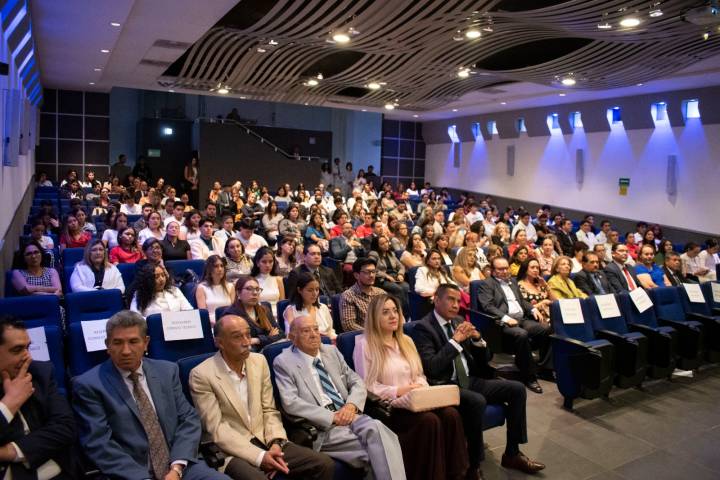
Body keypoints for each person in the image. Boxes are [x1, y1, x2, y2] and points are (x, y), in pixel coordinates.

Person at [72, 310, 229, 480]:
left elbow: (188, 419)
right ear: (107, 345)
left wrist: (176, 467)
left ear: (145, 343)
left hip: (180, 465)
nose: (126, 351)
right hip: (131, 474)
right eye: (117, 343)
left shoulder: (167, 371)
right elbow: (99, 444)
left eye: (133, 341)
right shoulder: (89, 385)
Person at [413, 284, 544, 477]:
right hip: (445, 386)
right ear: (437, 300)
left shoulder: (458, 321)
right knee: (477, 401)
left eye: (458, 301)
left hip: (470, 380)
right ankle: (473, 465)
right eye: (450, 299)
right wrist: (455, 341)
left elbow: (485, 359)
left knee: (517, 389)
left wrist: (478, 340)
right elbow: (432, 367)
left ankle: (512, 453)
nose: (456, 305)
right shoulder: (423, 328)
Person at [189, 314, 334, 480]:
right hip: (233, 451)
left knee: (323, 463)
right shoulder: (202, 375)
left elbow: (269, 409)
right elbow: (216, 429)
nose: (246, 342)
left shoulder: (259, 361)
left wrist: (276, 443)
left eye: (248, 335)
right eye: (237, 337)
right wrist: (259, 457)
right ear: (219, 342)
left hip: (266, 438)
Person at [273, 315, 406, 480]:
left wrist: (351, 406)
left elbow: (356, 381)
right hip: (325, 427)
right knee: (380, 452)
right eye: (306, 331)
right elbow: (291, 403)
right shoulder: (284, 362)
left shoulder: (331, 351)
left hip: (350, 414)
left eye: (315, 329)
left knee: (377, 427)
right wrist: (333, 417)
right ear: (292, 338)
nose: (314, 334)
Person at [353, 294, 469, 480]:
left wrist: (419, 387)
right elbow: (367, 386)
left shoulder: (406, 340)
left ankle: (457, 474)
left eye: (395, 311)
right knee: (429, 421)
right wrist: (400, 391)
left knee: (451, 415)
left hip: (417, 400)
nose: (393, 316)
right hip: (391, 408)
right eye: (385, 312)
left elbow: (420, 375)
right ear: (374, 317)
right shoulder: (364, 345)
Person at [0, 314, 80, 478]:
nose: (27, 356)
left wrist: (10, 451)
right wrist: (8, 405)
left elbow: (66, 427)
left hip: (59, 470)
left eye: (27, 347)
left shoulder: (40, 372)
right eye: (17, 350)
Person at [477, 257, 551, 393]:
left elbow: (522, 301)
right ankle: (529, 376)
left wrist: (532, 309)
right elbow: (487, 306)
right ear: (492, 271)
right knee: (521, 335)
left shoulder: (513, 282)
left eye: (506, 268)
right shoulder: (486, 284)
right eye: (500, 269)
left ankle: (543, 367)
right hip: (502, 323)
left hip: (521, 319)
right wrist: (505, 318)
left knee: (546, 329)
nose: (505, 271)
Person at [223, 276, 284, 350]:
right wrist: (269, 337)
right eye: (249, 289)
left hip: (267, 351)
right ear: (238, 293)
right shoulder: (231, 315)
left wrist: (256, 340)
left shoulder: (264, 310)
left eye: (257, 289)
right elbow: (238, 342)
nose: (255, 293)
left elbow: (281, 334)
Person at [283, 273, 336, 339]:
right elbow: (291, 337)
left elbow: (330, 331)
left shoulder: (323, 307)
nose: (315, 294)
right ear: (299, 290)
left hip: (326, 345)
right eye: (310, 290)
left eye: (317, 289)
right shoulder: (290, 311)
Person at [339, 258, 387, 332]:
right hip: (365, 338)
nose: (371, 275)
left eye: (373, 271)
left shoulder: (381, 293)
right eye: (367, 272)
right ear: (356, 275)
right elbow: (349, 326)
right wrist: (373, 332)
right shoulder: (348, 296)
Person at [368, 235, 409, 308]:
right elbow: (373, 269)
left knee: (406, 287)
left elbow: (401, 266)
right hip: (382, 279)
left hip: (395, 277)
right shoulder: (374, 254)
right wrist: (386, 276)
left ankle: (408, 312)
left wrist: (400, 274)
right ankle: (401, 312)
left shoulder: (391, 253)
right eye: (382, 244)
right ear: (377, 246)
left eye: (386, 242)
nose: (386, 244)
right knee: (398, 289)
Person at [196, 255, 235, 326]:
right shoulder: (201, 288)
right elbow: (203, 314)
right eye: (216, 266)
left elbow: (233, 310)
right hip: (210, 324)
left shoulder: (230, 286)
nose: (220, 269)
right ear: (209, 269)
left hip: (229, 323)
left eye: (222, 266)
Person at [251, 247, 285, 314]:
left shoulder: (279, 280)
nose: (268, 265)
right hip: (261, 315)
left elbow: (282, 303)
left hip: (278, 315)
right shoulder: (252, 281)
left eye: (270, 261)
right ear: (257, 263)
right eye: (264, 262)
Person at [516, 259, 551, 324]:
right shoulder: (519, 286)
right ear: (525, 269)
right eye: (532, 267)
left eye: (537, 268)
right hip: (532, 318)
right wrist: (542, 303)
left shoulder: (540, 284)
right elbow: (522, 308)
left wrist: (546, 285)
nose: (535, 270)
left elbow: (555, 301)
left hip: (549, 317)